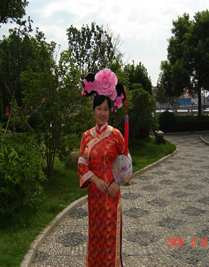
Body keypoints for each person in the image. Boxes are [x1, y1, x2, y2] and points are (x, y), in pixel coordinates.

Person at [78, 69, 131, 266]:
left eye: (106, 109)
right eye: (99, 109)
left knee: (111, 238)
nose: (102, 113)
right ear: (93, 111)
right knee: (96, 237)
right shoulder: (86, 136)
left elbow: (126, 160)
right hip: (95, 196)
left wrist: (118, 183)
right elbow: (82, 163)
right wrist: (95, 179)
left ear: (110, 111)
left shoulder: (116, 135)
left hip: (111, 194)